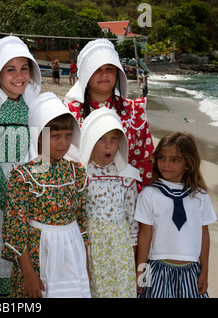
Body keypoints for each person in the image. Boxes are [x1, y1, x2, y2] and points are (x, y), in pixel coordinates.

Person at [2, 92, 90, 298]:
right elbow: (16, 229)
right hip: (39, 255)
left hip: (72, 252)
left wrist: (84, 267)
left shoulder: (76, 172)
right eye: (56, 136)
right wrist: (28, 275)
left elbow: (82, 224)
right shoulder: (23, 176)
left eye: (68, 135)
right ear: (39, 137)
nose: (63, 143)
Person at [0, 35, 42, 296]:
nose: (18, 76)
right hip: (1, 204)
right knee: (1, 270)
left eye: (24, 68)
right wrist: (12, 198)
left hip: (33, 204)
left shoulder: (36, 108)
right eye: (10, 69)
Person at [64, 39, 154, 190]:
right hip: (79, 200)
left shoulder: (135, 113)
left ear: (117, 73)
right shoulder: (68, 113)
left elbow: (145, 162)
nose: (104, 74)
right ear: (86, 74)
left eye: (110, 68)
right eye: (97, 69)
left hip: (126, 201)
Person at [135, 132, 216, 298]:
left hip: (191, 271)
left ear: (187, 163)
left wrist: (204, 271)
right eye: (162, 157)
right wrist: (140, 271)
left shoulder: (200, 195)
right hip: (156, 268)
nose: (165, 164)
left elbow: (204, 235)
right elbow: (144, 234)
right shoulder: (149, 194)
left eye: (174, 159)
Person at [79, 107, 141, 298]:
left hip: (121, 250)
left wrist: (135, 264)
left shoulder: (127, 176)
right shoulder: (82, 176)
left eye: (114, 139)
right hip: (93, 249)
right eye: (101, 139)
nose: (108, 146)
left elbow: (132, 225)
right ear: (90, 141)